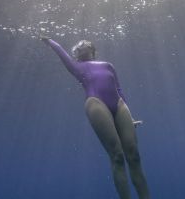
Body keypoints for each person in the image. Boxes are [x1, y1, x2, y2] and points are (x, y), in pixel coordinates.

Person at [40, 36, 150, 199]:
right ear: (76, 52)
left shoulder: (108, 65)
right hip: (96, 103)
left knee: (134, 155)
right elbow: (62, 54)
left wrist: (130, 117)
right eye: (78, 44)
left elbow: (119, 89)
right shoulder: (76, 67)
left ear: (93, 49)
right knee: (117, 156)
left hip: (119, 105)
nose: (81, 43)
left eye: (84, 42)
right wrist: (50, 41)